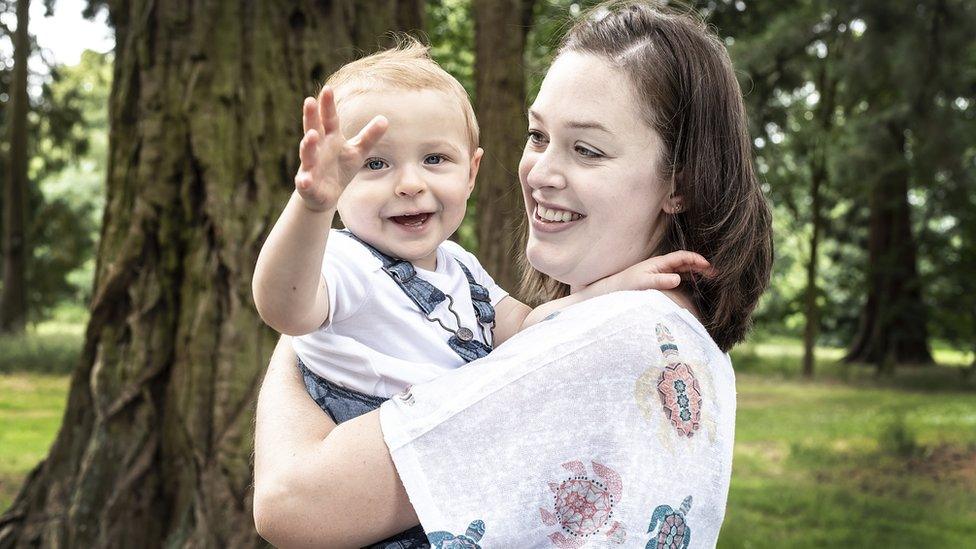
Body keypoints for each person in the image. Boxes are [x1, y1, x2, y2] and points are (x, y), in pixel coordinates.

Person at [253, 1, 773, 547]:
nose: (540, 172)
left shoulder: (610, 336)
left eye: (587, 150)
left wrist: (305, 342)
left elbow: (292, 506)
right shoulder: (667, 332)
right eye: (537, 135)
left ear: (679, 182)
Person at [252, 41, 709, 418]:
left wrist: (612, 289)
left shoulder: (461, 268)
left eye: (434, 159)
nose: (410, 184)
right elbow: (285, 309)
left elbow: (527, 327)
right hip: (372, 462)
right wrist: (312, 208)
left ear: (471, 173)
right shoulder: (346, 262)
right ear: (339, 182)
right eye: (375, 164)